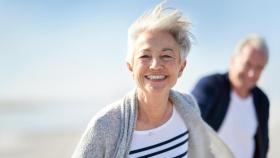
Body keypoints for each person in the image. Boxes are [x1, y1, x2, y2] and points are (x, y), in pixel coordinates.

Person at [72, 2, 234, 158]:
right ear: (130, 67)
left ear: (181, 68)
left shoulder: (188, 108)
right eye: (145, 56)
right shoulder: (105, 126)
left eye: (166, 56)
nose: (155, 65)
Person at [191, 34, 269, 158]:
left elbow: (262, 145)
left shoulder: (262, 100)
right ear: (233, 60)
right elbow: (189, 125)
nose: (251, 73)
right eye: (247, 64)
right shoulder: (210, 86)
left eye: (259, 68)